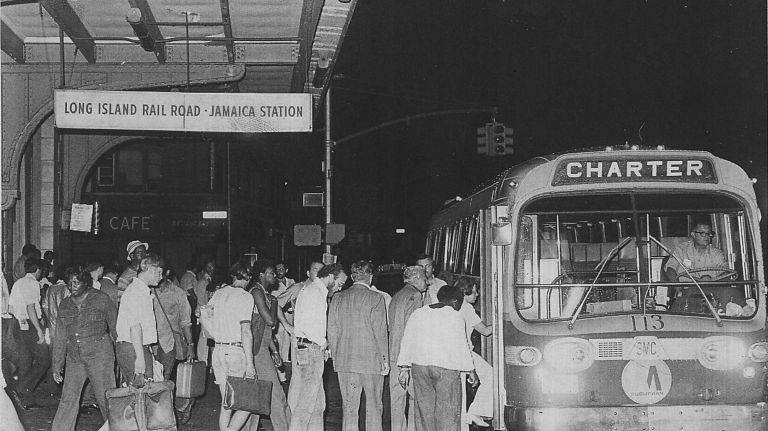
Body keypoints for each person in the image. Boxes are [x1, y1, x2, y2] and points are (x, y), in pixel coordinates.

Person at [397, 285, 478, 431]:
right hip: (445, 369)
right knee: (448, 414)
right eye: (460, 303)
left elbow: (407, 340)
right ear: (454, 301)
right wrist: (471, 370)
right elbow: (462, 345)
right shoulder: (454, 315)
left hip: (420, 368)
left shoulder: (418, 313)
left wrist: (404, 367)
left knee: (424, 413)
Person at [50, 268, 118, 429]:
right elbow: (60, 337)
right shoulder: (65, 305)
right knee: (68, 399)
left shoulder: (102, 299)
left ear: (86, 282)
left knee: (107, 398)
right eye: (69, 283)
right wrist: (57, 366)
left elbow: (116, 329)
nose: (72, 286)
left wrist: (121, 356)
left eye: (76, 282)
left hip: (100, 357)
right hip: (75, 358)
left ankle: (117, 427)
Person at [327, 261, 389, 431]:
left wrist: (336, 357)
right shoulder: (376, 298)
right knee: (374, 407)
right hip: (371, 362)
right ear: (370, 277)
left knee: (349, 408)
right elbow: (380, 333)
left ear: (353, 277)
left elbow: (331, 330)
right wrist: (385, 361)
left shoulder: (337, 298)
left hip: (345, 362)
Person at [287, 262, 346, 431]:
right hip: (312, 350)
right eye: (339, 283)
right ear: (330, 276)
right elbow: (310, 327)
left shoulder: (313, 291)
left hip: (307, 348)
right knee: (306, 403)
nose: (340, 288)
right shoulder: (315, 293)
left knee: (318, 404)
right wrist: (324, 344)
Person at [204, 262, 257, 431]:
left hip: (218, 351)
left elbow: (203, 314)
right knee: (248, 403)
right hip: (235, 352)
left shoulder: (219, 293)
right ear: (249, 278)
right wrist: (250, 364)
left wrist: (215, 333)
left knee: (227, 402)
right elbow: (246, 330)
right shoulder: (245, 297)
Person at [245, 260, 291, 431]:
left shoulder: (263, 293)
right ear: (261, 275)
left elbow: (263, 330)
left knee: (260, 394)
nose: (274, 276)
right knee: (275, 393)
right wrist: (274, 303)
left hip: (261, 348)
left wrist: (275, 351)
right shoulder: (257, 291)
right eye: (271, 273)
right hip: (257, 351)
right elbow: (270, 321)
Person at [152, 267, 196, 423]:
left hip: (169, 343)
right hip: (150, 344)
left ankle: (166, 419)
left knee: (164, 380)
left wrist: (191, 346)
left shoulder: (178, 293)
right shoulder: (147, 290)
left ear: (167, 273)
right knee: (153, 382)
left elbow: (186, 322)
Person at [388, 265, 428, 431]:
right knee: (415, 399)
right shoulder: (415, 295)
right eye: (425, 279)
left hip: (394, 354)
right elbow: (414, 328)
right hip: (408, 357)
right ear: (417, 278)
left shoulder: (397, 296)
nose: (427, 283)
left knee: (396, 401)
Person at [8, 257, 51, 408]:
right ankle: (21, 387)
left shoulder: (18, 282)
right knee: (45, 360)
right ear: (38, 270)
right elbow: (31, 307)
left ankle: (26, 400)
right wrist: (39, 330)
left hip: (18, 325)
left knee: (25, 362)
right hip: (30, 325)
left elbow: (12, 307)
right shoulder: (32, 283)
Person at [115, 253, 162, 385]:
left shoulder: (141, 291)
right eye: (159, 273)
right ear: (151, 270)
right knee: (141, 394)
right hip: (133, 348)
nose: (161, 277)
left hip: (136, 347)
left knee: (142, 393)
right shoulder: (136, 292)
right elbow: (135, 327)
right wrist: (140, 358)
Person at [454, 277, 493, 427]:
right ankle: (476, 411)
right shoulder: (467, 309)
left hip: (457, 352)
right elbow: (485, 331)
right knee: (490, 375)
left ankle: (470, 416)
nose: (477, 295)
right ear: (465, 292)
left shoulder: (455, 306)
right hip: (466, 353)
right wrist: (499, 321)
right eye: (475, 292)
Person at [195, 258, 215, 364]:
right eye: (209, 267)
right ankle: (202, 360)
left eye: (212, 267)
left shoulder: (210, 281)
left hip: (208, 313)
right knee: (203, 337)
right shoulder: (202, 282)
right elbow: (201, 300)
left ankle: (207, 360)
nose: (211, 269)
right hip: (204, 312)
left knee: (208, 337)